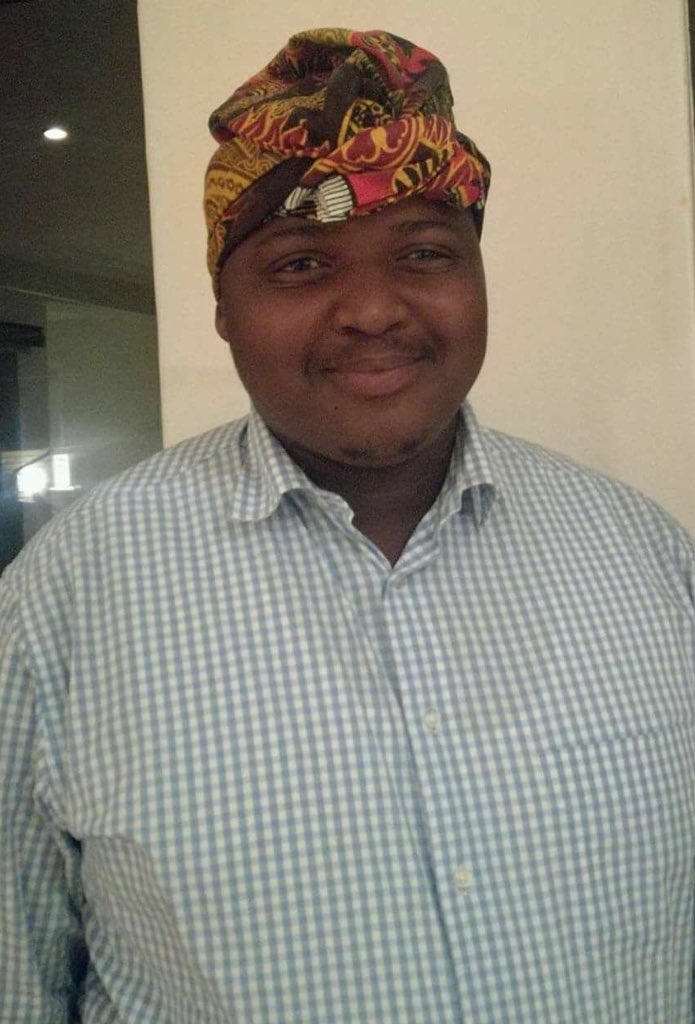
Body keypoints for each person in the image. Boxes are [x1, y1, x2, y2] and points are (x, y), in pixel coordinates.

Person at [1, 27, 694, 1024]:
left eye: (423, 252)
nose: (371, 309)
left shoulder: (645, 558)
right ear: (223, 307)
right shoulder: (64, 598)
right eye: (298, 263)